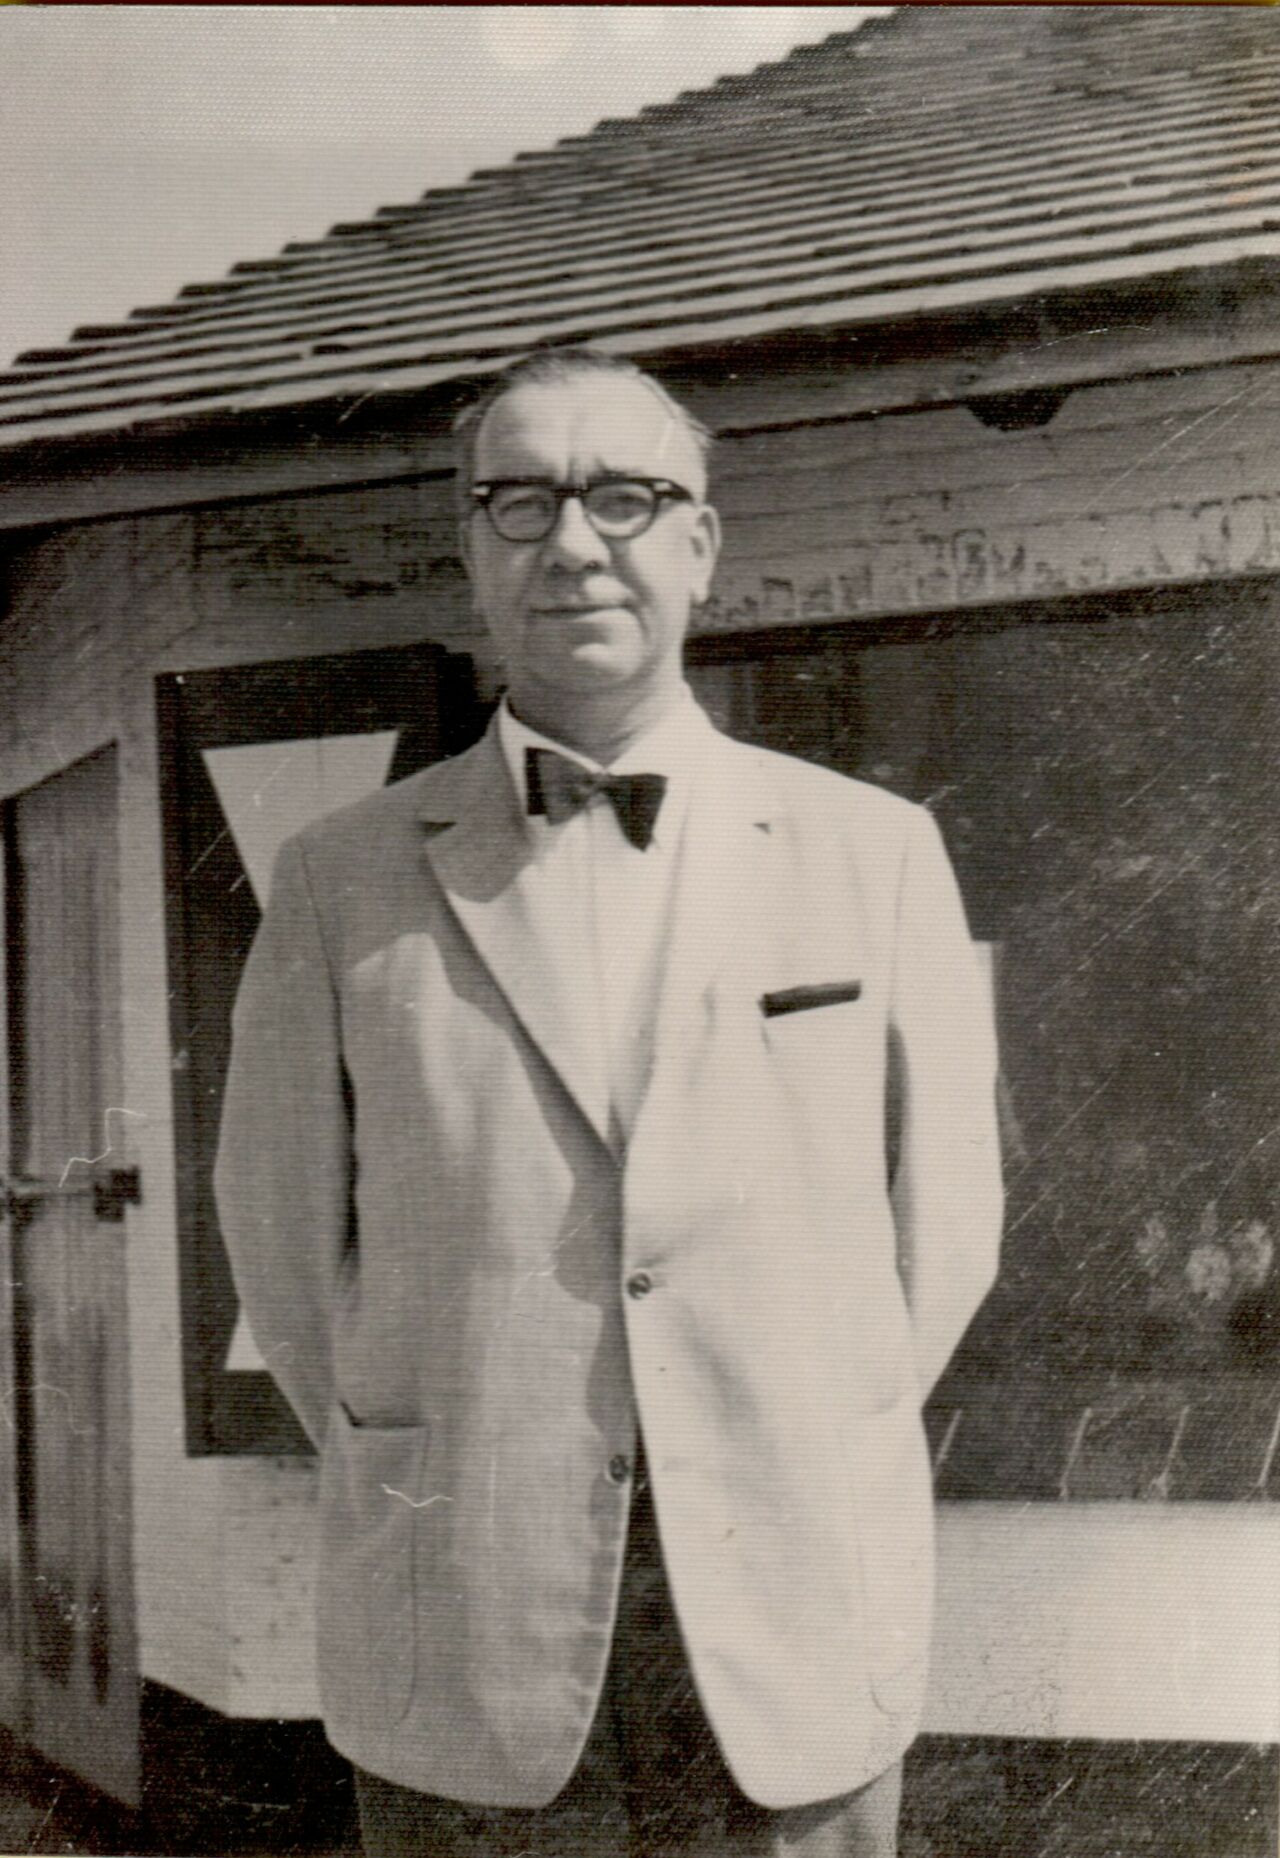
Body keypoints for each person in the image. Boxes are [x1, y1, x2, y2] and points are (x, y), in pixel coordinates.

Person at [214, 347, 1004, 1857]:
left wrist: (797, 1434)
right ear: (469, 554)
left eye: (625, 498)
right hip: (467, 1626)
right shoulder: (336, 881)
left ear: (699, 544)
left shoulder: (875, 851)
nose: (573, 542)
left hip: (792, 1613)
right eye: (520, 502)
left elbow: (947, 1228)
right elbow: (287, 1257)